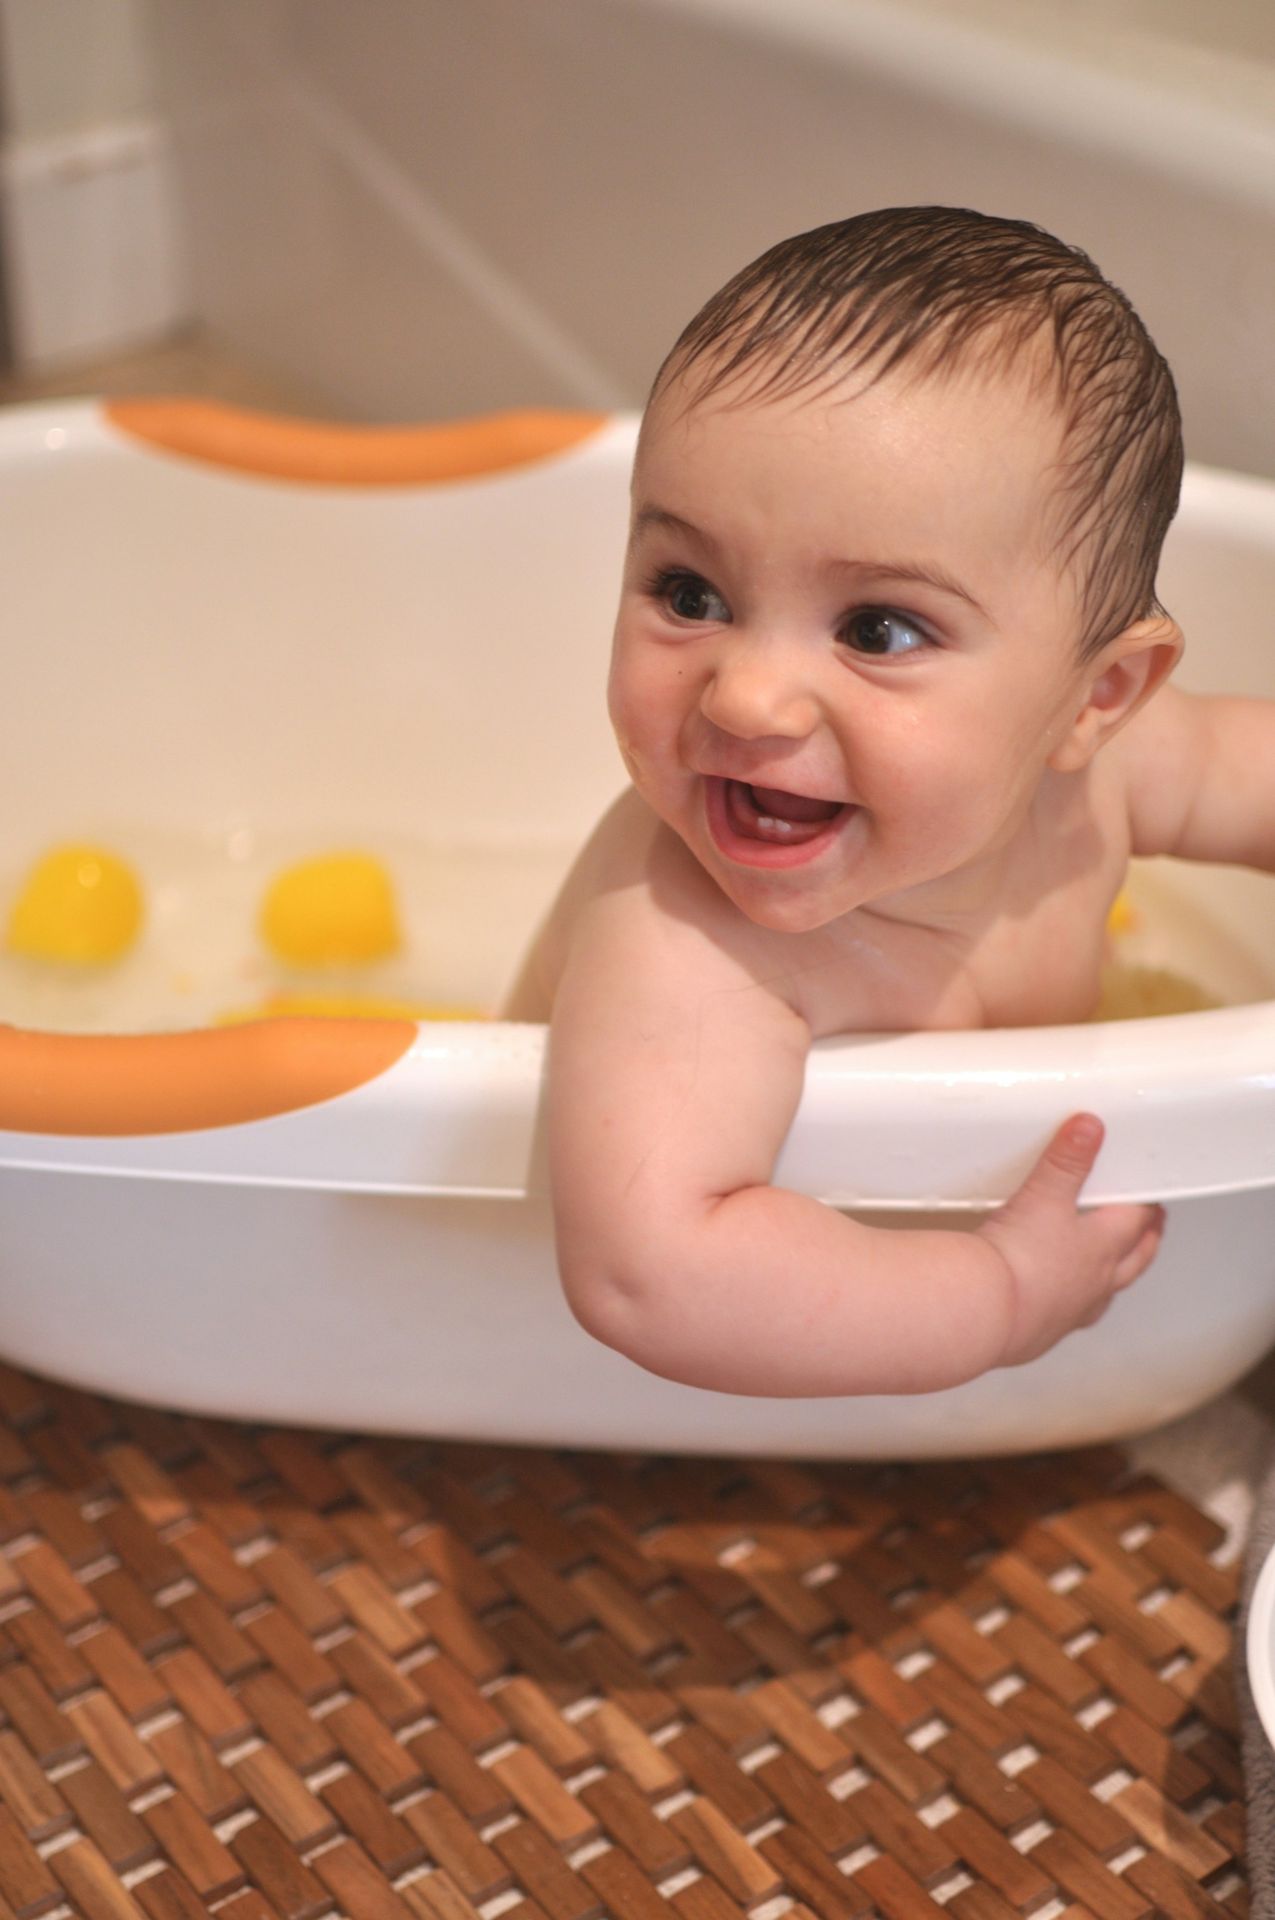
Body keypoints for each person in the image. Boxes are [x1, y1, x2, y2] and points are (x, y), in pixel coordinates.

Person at [504, 205, 1266, 1398]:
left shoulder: (1098, 775)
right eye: (689, 591)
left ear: (1094, 697)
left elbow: (1246, 768)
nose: (748, 697)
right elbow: (650, 1276)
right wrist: (1001, 1295)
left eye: (878, 629)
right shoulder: (687, 942)